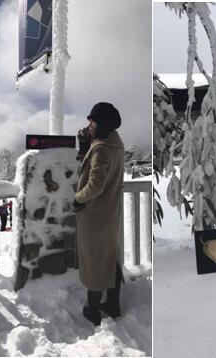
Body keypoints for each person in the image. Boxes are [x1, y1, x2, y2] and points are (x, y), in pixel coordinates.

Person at [73, 102, 125, 326]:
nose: (89, 125)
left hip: (95, 215)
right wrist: (86, 146)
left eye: (92, 121)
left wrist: (78, 198)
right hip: (110, 211)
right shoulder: (114, 144)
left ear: (101, 124)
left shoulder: (102, 149)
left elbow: (95, 184)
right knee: (109, 255)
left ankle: (92, 309)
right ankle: (113, 304)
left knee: (94, 260)